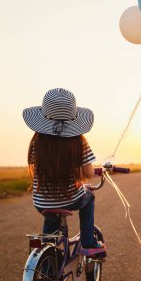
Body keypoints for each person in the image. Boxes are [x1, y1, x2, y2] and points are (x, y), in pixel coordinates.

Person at [22, 87, 106, 253]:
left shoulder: (37, 143)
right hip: (69, 199)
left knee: (51, 218)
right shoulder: (79, 142)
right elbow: (88, 173)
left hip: (41, 201)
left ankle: (45, 252)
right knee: (88, 197)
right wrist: (98, 171)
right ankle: (88, 240)